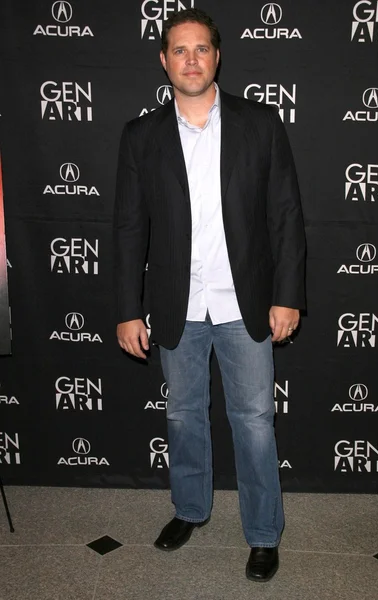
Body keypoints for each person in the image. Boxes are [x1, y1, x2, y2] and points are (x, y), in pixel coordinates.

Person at [114, 8, 306, 583]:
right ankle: (191, 509)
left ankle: (264, 534)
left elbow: (286, 218)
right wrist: (127, 309)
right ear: (164, 60)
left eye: (201, 49)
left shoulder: (260, 124)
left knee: (253, 422)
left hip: (244, 302)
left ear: (217, 57)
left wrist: (288, 295)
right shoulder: (141, 135)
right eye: (180, 50)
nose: (191, 59)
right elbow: (128, 229)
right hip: (178, 306)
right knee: (182, 417)